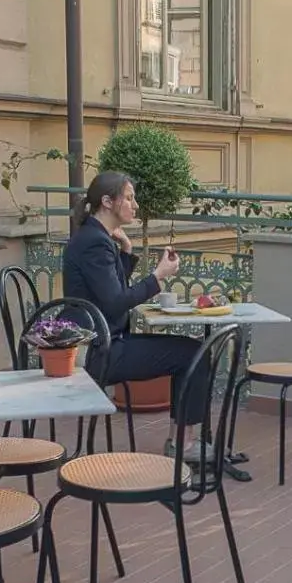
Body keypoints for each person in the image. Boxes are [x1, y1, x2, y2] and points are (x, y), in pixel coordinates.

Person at [62, 171, 209, 460]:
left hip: (104, 341)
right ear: (107, 201)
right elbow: (116, 301)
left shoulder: (95, 237)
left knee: (192, 351)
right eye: (129, 198)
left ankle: (183, 441)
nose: (135, 204)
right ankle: (184, 444)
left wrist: (126, 251)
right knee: (194, 353)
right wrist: (158, 277)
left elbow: (107, 290)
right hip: (99, 351)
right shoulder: (94, 242)